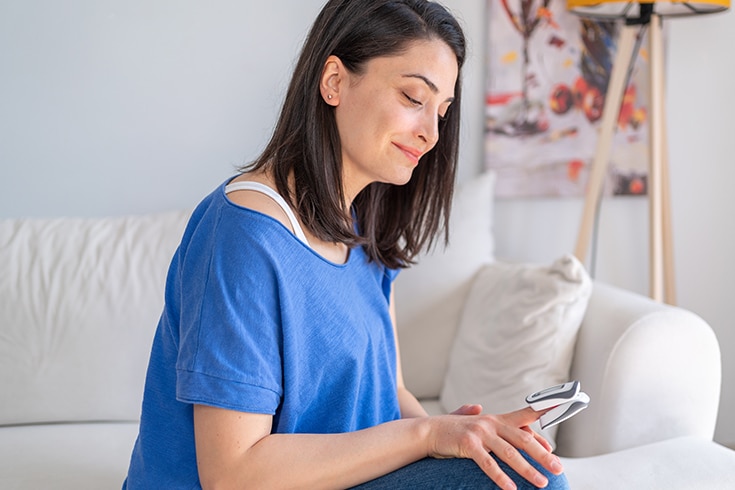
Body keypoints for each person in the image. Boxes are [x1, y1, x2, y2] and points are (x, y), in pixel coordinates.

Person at [123, 1, 570, 488]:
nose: (431, 133)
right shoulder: (244, 234)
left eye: (442, 111)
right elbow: (233, 473)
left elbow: (392, 392)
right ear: (334, 81)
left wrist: (453, 437)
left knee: (529, 466)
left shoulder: (362, 227)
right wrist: (424, 435)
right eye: (413, 97)